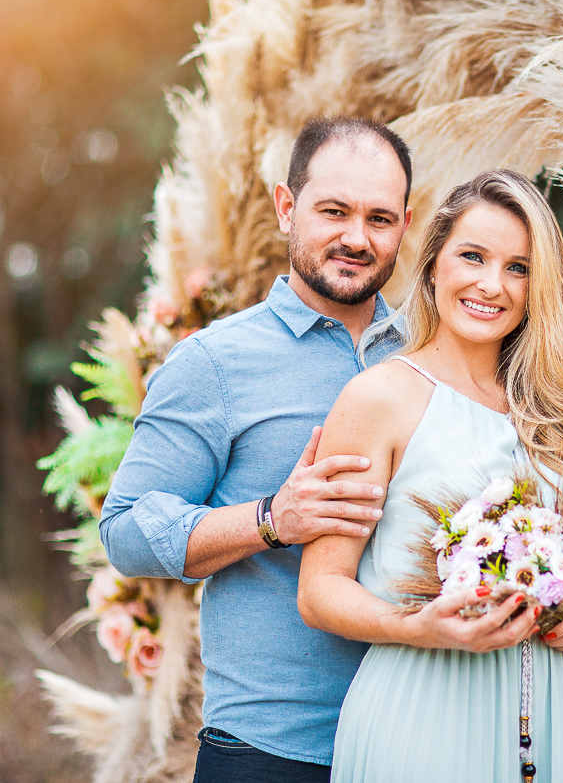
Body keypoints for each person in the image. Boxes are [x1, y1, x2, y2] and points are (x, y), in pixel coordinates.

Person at [100, 117, 417, 782]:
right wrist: (272, 518)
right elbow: (125, 529)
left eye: (379, 219)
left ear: (406, 225)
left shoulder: (433, 356)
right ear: (286, 207)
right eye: (334, 211)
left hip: (417, 740)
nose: (357, 238)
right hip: (270, 753)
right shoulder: (214, 363)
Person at [297, 169, 563, 783]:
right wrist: (414, 626)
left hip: (557, 724)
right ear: (432, 265)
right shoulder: (380, 398)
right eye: (472, 256)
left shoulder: (556, 409)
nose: (490, 284)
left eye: (518, 268)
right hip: (424, 721)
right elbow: (319, 591)